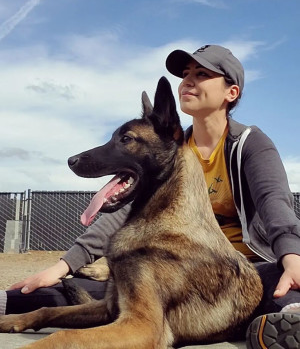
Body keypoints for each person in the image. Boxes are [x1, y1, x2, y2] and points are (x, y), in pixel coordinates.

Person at [1, 44, 300, 348]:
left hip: (241, 266)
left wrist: (291, 256)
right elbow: (120, 213)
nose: (188, 81)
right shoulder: (165, 147)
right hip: (166, 262)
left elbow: (273, 202)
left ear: (231, 92)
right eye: (185, 75)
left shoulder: (248, 144)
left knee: (281, 281)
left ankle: (290, 322)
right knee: (72, 288)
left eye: (202, 74)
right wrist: (63, 265)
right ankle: (4, 303)